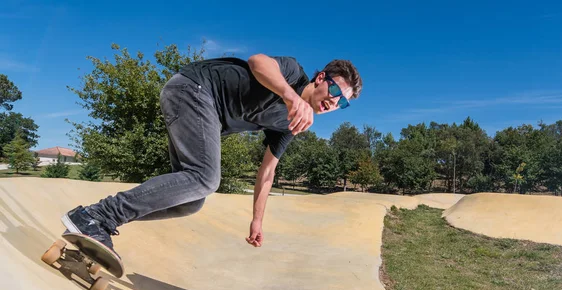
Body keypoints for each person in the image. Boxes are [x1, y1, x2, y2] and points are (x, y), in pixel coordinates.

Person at [61, 54, 362, 257]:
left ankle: (98, 224)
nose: (335, 103)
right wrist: (290, 96)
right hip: (193, 90)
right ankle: (95, 216)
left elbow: (267, 172)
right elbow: (257, 62)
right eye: (336, 91)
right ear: (321, 78)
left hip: (199, 116)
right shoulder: (292, 73)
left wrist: (257, 221)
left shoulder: (291, 126)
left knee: (190, 202)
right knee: (205, 178)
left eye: (343, 104)